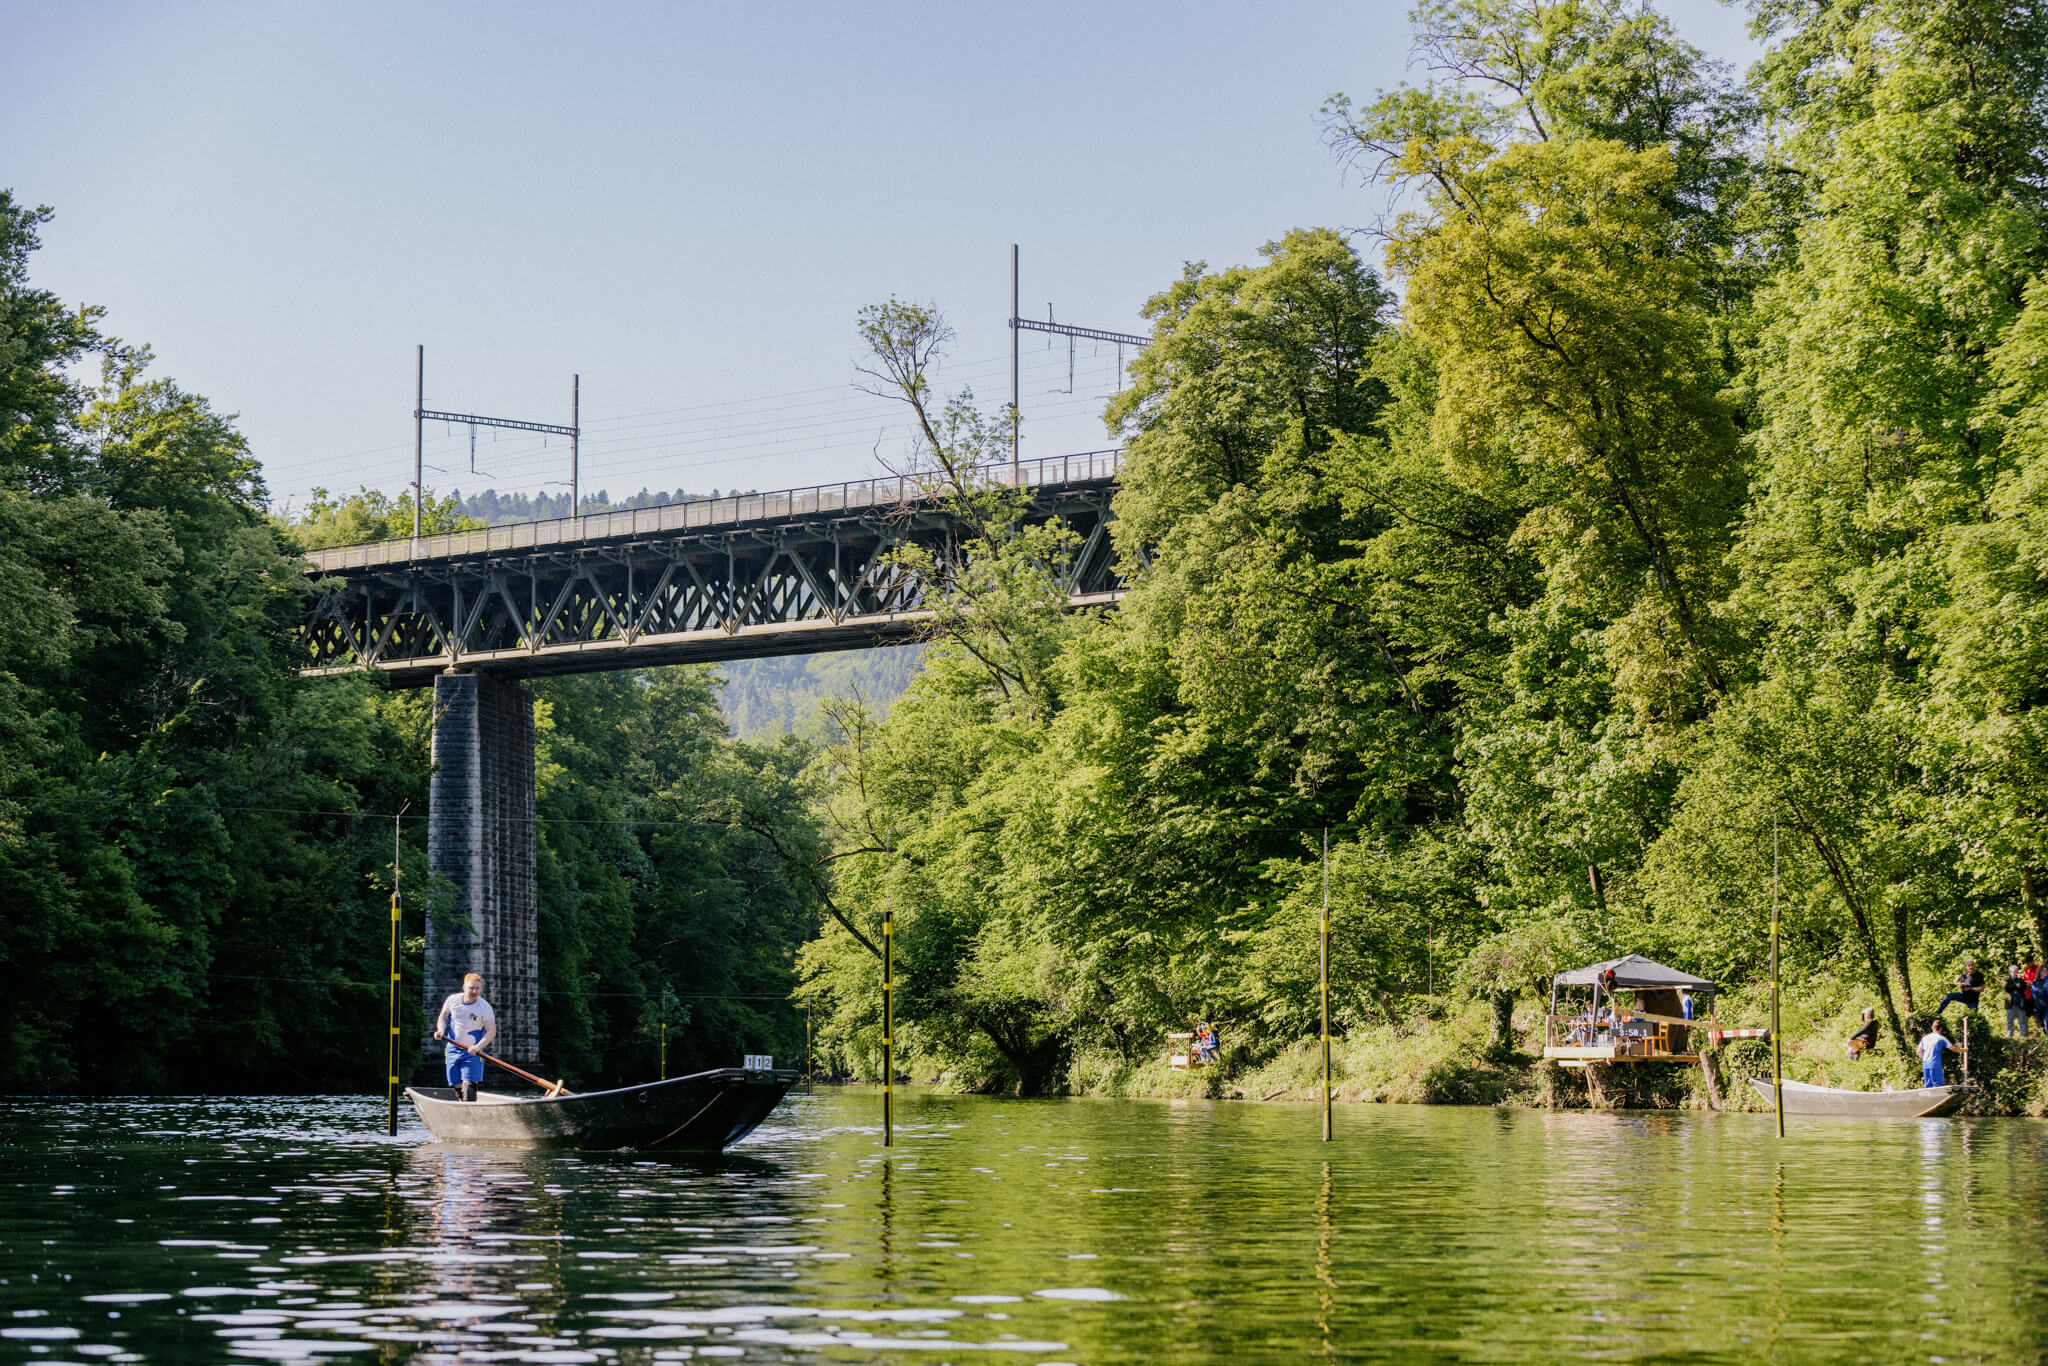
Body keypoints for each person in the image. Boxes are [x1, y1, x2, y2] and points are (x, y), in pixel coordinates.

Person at [434, 972, 496, 1100]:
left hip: (472, 1052)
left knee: (469, 1086)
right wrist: (440, 1030)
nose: (474, 991)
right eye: (471, 988)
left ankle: (470, 1109)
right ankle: (462, 1104)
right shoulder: (453, 1000)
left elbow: (491, 1032)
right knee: (457, 1085)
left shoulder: (484, 1007)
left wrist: (478, 1046)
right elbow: (443, 1017)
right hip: (453, 1049)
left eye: (477, 988)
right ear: (464, 987)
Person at [1917, 1019, 1965, 1089]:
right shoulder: (1941, 1038)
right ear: (1941, 1029)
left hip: (1925, 1065)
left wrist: (1924, 1059)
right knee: (1938, 1086)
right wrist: (1964, 1050)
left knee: (1928, 1087)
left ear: (1932, 1027)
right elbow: (1954, 1049)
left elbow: (1918, 1051)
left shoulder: (1925, 1038)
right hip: (1935, 1064)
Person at [2005, 966, 2031, 1038]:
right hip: (2010, 1004)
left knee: (2022, 1021)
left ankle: (2023, 1036)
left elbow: (2024, 987)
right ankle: (2010, 1035)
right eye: (2014, 972)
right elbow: (2007, 988)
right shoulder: (2007, 981)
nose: (2016, 973)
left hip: (2020, 1004)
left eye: (2017, 971)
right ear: (2010, 973)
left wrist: (2018, 985)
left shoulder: (2020, 980)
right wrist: (2016, 986)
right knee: (2010, 1021)